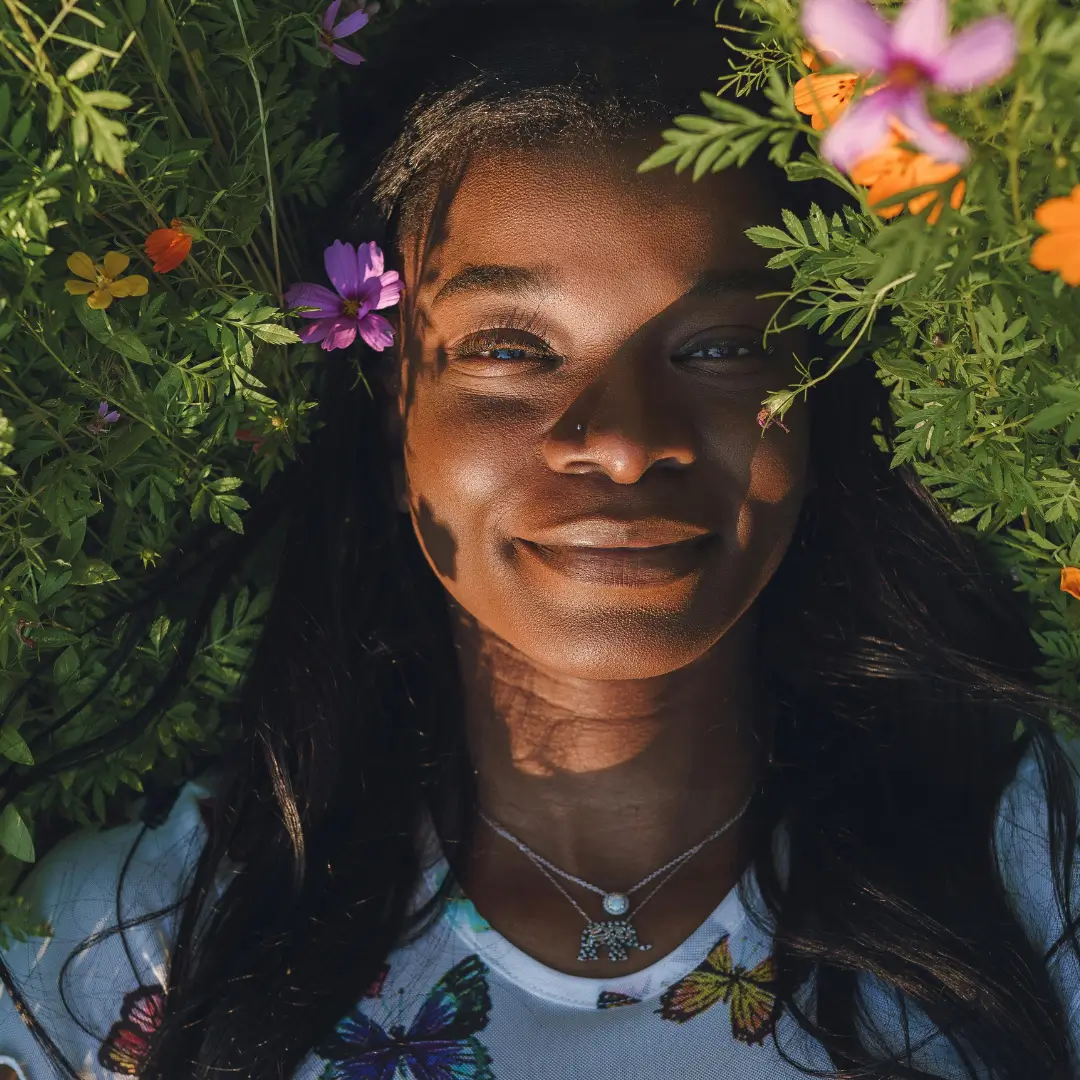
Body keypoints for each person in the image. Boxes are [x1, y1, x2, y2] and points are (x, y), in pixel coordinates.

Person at [3, 1, 1080, 1078]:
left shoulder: (1043, 881)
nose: (620, 443)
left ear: (814, 408)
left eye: (716, 349)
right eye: (512, 348)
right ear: (389, 421)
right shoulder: (124, 950)